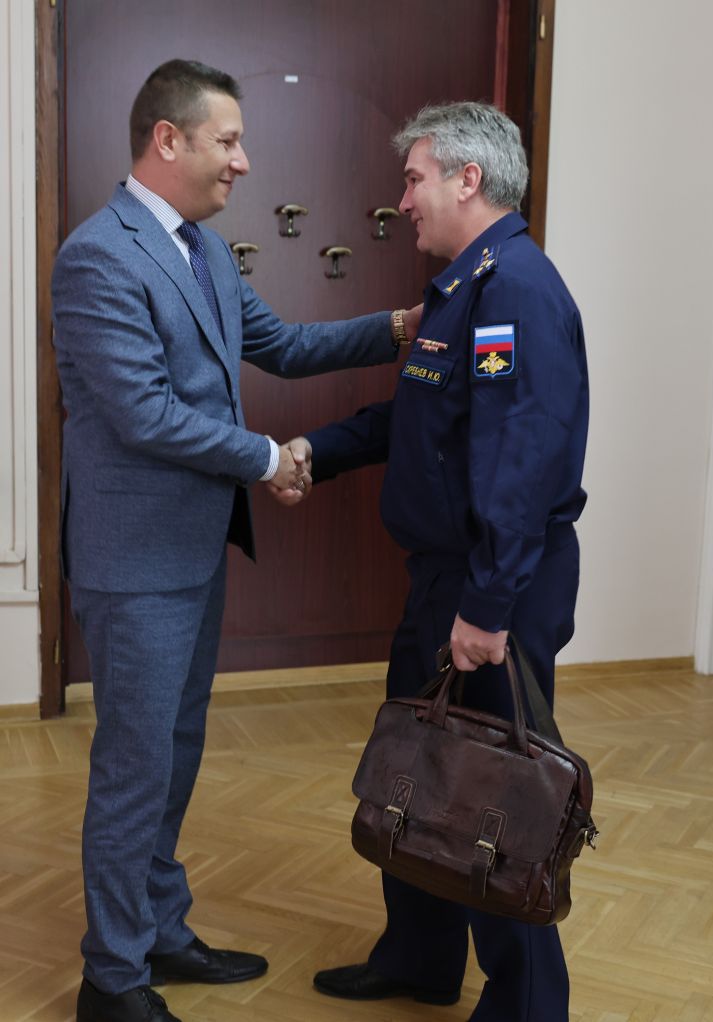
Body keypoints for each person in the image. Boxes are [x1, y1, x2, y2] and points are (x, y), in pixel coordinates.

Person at [53, 59, 420, 1022]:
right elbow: (143, 413)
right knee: (134, 770)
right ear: (167, 140)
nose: (243, 161)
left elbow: (286, 346)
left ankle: (159, 933)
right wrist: (267, 457)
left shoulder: (205, 251)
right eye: (228, 140)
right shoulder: (99, 256)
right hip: (134, 564)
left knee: (173, 755)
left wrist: (399, 327)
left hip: (192, 552)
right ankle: (111, 982)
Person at [275, 101, 589, 1022]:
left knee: (498, 795)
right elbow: (417, 421)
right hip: (446, 579)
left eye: (414, 179)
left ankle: (527, 1005)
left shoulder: (517, 292)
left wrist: (487, 608)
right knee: (421, 767)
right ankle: (419, 957)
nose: (403, 199)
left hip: (492, 584)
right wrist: (318, 450)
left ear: (467, 179)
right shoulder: (464, 288)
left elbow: (521, 463)